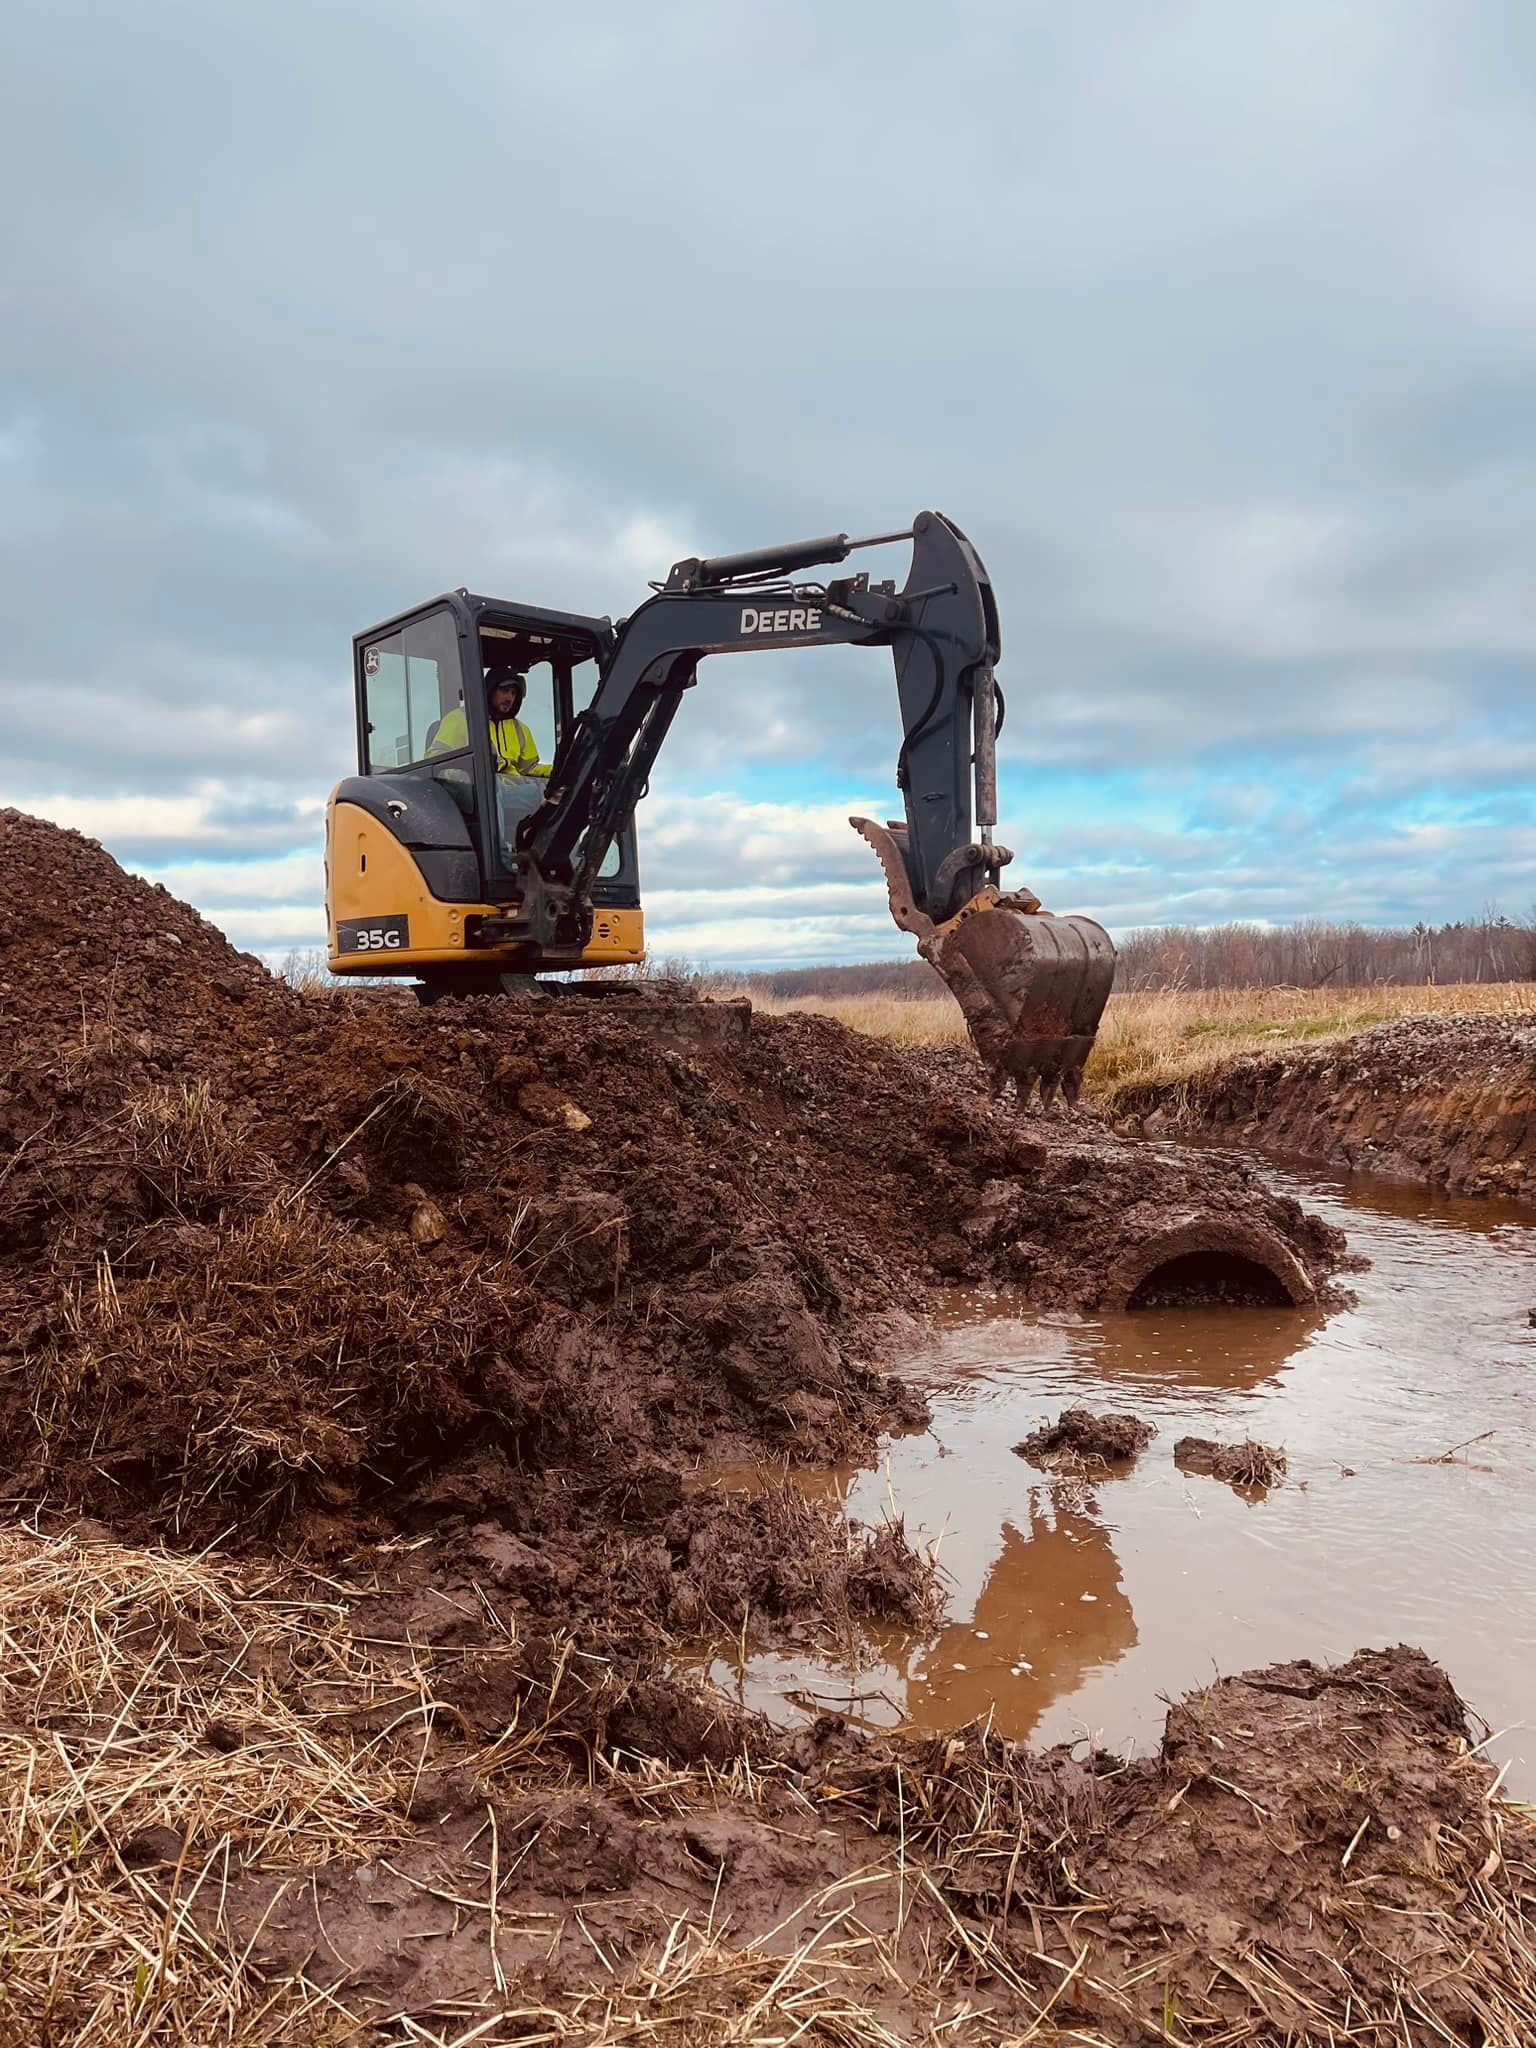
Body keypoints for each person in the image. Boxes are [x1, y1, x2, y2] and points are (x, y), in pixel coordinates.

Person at [428, 669, 548, 776]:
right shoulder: (460, 719)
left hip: (512, 791)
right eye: (505, 690)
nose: (509, 698)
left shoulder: (521, 729)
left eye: (513, 693)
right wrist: (461, 775)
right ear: (490, 690)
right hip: (475, 790)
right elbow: (436, 758)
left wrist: (557, 772)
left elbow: (529, 769)